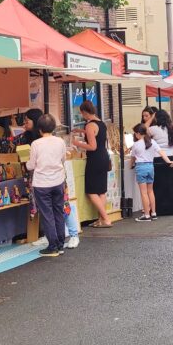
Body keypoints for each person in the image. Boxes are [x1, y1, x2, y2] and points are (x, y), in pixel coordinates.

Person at [27, 113, 67, 257]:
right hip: (58, 181)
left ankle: (52, 245)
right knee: (58, 211)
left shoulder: (36, 144)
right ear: (54, 127)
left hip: (42, 184)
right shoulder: (60, 141)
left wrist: (25, 163)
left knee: (47, 214)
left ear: (39, 129)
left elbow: (31, 165)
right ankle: (60, 243)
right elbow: (63, 159)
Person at [73, 99, 113, 227]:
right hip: (104, 157)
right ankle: (101, 219)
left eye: (81, 113)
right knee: (101, 191)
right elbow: (97, 135)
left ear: (85, 112)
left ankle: (106, 219)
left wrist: (76, 143)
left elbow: (92, 146)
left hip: (95, 159)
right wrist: (81, 132)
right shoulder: (101, 123)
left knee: (91, 191)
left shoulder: (89, 125)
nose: (82, 116)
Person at [130, 123, 173, 221]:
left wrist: (131, 165)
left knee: (143, 193)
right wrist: (168, 161)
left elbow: (132, 158)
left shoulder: (136, 145)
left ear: (138, 133)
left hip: (141, 167)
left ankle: (146, 215)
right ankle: (153, 213)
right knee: (150, 191)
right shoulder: (152, 142)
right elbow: (161, 152)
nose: (135, 135)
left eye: (135, 133)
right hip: (150, 167)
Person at [149, 109, 173, 216]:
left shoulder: (153, 129)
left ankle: (161, 209)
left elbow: (142, 131)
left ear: (156, 119)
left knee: (159, 184)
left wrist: (150, 119)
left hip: (159, 158)